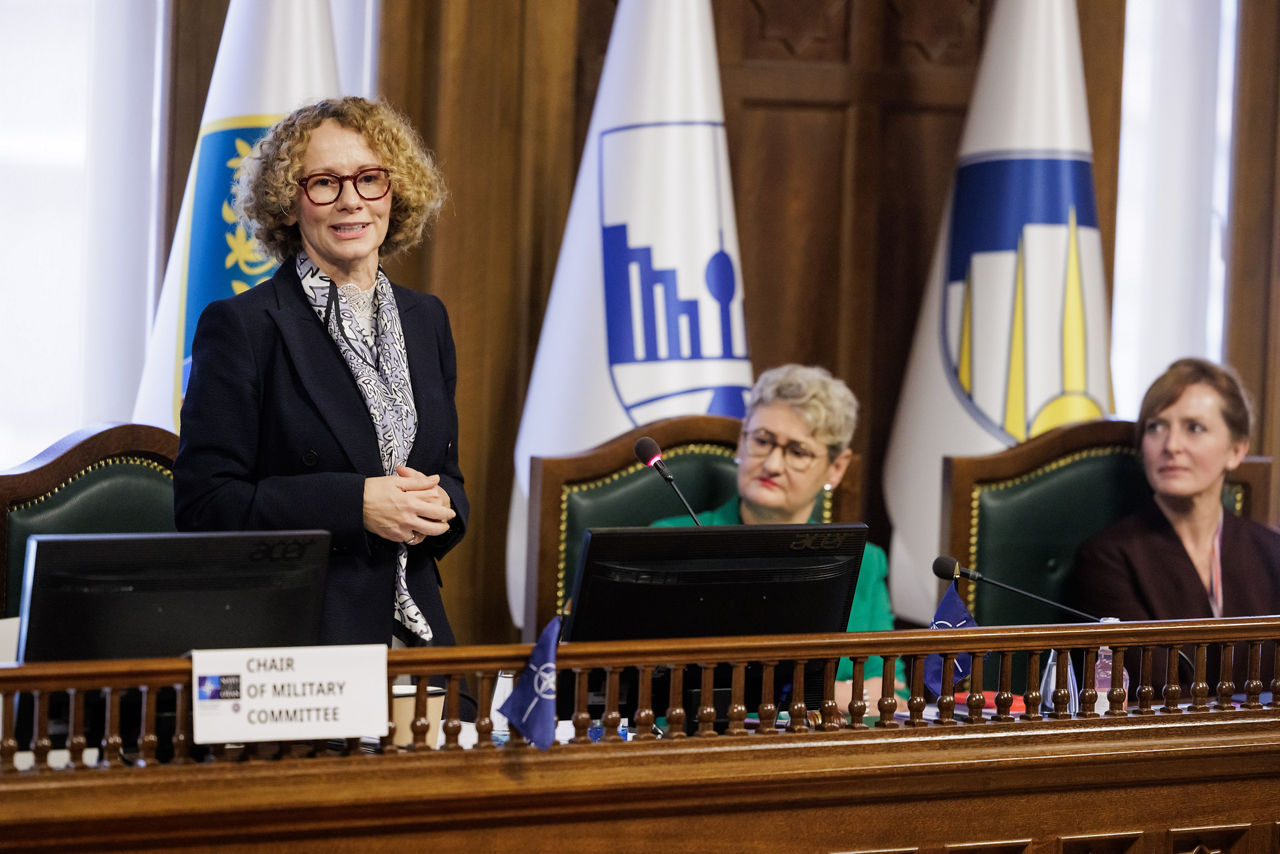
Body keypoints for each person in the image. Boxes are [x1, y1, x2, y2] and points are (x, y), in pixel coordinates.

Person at [175, 96, 468, 656]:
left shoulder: (426, 319)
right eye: (325, 183)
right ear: (289, 204)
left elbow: (450, 479)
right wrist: (355, 504)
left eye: (369, 179)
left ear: (394, 191)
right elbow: (204, 508)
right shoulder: (242, 327)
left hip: (421, 636)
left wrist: (437, 506)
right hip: (302, 639)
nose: (352, 201)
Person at [653, 364, 906, 708]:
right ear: (743, 440)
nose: (772, 464)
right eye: (762, 440)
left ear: (837, 467)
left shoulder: (865, 560)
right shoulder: (667, 542)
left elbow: (891, 693)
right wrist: (828, 694)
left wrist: (785, 698)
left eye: (797, 452)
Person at [1071, 357, 1280, 689]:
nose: (1171, 446)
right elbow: (1150, 690)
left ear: (1236, 450)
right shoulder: (1107, 557)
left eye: (1194, 428)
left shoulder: (1271, 551)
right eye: (1156, 427)